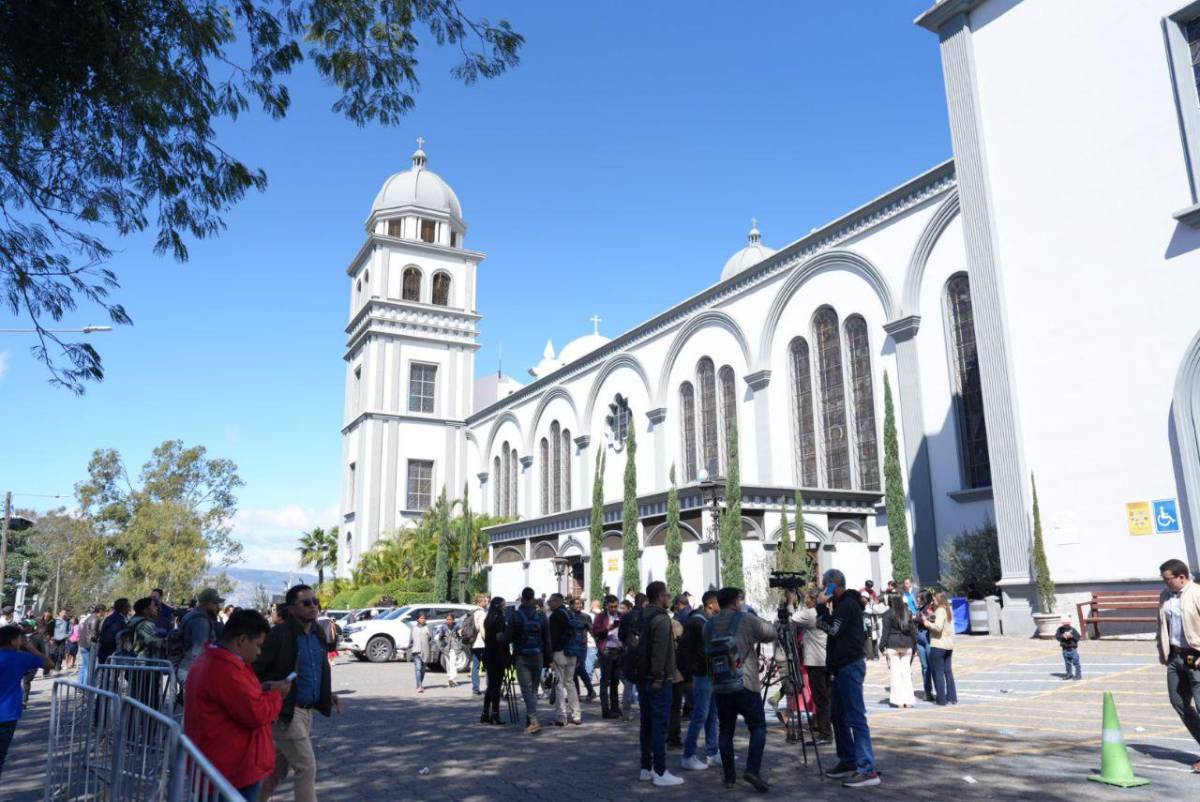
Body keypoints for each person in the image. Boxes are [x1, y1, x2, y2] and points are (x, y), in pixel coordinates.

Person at [185, 609, 291, 802]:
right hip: (231, 771)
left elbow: (240, 699)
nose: (259, 652)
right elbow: (256, 713)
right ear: (242, 640)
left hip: (222, 767)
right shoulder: (225, 668)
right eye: (258, 645)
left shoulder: (215, 660)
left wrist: (265, 688)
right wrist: (277, 696)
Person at [255, 584, 342, 802]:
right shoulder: (279, 635)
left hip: (306, 712)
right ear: (292, 609)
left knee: (277, 771)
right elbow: (255, 670)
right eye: (306, 603)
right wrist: (270, 686)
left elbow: (318, 668)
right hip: (286, 712)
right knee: (306, 766)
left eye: (315, 602)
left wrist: (327, 694)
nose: (313, 606)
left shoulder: (317, 633)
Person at [706, 586, 776, 791]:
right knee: (758, 727)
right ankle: (752, 769)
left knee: (725, 730)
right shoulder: (745, 619)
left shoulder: (709, 625)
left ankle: (729, 777)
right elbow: (771, 633)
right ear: (736, 601)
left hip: (721, 685)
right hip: (746, 682)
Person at [817, 568, 880, 788]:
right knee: (838, 716)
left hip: (850, 666)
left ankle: (867, 769)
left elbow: (832, 629)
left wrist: (820, 608)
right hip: (841, 668)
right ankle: (848, 760)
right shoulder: (842, 604)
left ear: (833, 584)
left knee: (855, 717)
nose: (823, 589)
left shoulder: (847, 604)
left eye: (825, 585)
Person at [636, 581, 683, 787]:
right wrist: (659, 677)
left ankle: (646, 768)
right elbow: (660, 652)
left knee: (646, 724)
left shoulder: (642, 615)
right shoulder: (662, 619)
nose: (669, 598)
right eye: (667, 595)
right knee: (659, 726)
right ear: (659, 596)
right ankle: (660, 771)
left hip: (642, 677)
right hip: (659, 680)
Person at [1158, 557, 1200, 772]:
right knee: (1179, 702)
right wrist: (1162, 650)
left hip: (1196, 656)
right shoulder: (1165, 596)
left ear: (1181, 577)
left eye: (1167, 579)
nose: (1165, 583)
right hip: (1175, 657)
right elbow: (1161, 625)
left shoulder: (1197, 593)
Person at [0, 625, 52, 780]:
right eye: (20, 639)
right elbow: (49, 664)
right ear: (13, 641)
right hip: (7, 714)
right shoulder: (21, 657)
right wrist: (30, 647)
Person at [679, 590, 720, 771]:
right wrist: (689, 675)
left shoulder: (709, 621)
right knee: (700, 715)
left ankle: (712, 752)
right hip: (702, 675)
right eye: (719, 602)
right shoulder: (696, 622)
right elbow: (684, 650)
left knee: (712, 715)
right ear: (711, 604)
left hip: (712, 673)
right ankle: (688, 755)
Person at [506, 586, 550, 734]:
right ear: (532, 598)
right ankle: (530, 720)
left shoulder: (516, 615)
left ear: (522, 598)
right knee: (534, 690)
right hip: (538, 655)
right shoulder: (541, 616)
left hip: (522, 656)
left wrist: (500, 637)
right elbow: (547, 639)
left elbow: (508, 637)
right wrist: (549, 659)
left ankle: (534, 720)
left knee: (526, 690)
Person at [790, 589, 832, 743]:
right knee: (826, 697)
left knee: (820, 699)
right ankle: (825, 729)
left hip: (815, 661)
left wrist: (790, 602)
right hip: (826, 659)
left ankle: (825, 733)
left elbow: (792, 618)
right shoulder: (826, 613)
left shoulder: (810, 614)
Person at [546, 593, 582, 726]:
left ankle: (561, 717)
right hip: (573, 651)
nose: (548, 603)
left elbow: (553, 638)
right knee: (570, 683)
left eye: (550, 601)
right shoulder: (570, 613)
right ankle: (576, 715)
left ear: (556, 601)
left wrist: (549, 656)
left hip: (560, 652)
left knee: (559, 684)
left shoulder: (555, 615)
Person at [179, 588, 223, 685]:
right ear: (207, 603)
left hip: (187, 668)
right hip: (192, 671)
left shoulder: (191, 615)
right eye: (215, 604)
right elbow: (199, 650)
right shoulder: (201, 622)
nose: (218, 607)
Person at [879, 594, 916, 707]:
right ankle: (908, 701)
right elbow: (913, 631)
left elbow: (885, 632)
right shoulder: (908, 612)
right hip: (907, 643)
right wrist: (914, 645)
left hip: (893, 644)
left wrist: (881, 646)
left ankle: (898, 701)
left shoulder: (887, 614)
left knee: (896, 674)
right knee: (906, 673)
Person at [592, 595, 623, 720]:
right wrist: (606, 629)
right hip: (606, 651)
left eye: (616, 606)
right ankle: (605, 709)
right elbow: (595, 632)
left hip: (618, 650)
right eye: (611, 606)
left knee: (615, 680)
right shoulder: (601, 616)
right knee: (605, 681)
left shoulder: (620, 616)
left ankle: (615, 707)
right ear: (606, 606)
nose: (614, 609)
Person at [924, 592, 957, 706]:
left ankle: (941, 699)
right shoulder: (948, 609)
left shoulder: (940, 610)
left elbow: (938, 627)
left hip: (939, 644)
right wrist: (931, 616)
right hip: (948, 645)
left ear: (939, 600)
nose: (933, 602)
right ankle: (952, 697)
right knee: (948, 672)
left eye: (934, 600)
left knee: (938, 672)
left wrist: (926, 623)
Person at [480, 596, 508, 724]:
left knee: (491, 685)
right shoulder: (499, 618)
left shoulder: (488, 618)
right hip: (497, 654)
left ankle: (485, 712)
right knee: (496, 686)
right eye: (504, 605)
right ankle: (495, 714)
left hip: (488, 653)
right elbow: (500, 638)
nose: (505, 607)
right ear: (499, 606)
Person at [569, 596, 596, 702]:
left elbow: (592, 630)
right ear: (571, 605)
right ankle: (578, 693)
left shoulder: (585, 617)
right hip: (570, 646)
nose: (579, 606)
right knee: (573, 670)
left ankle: (589, 691)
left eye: (580, 604)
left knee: (579, 668)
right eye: (576, 604)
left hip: (581, 647)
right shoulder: (567, 615)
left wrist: (597, 642)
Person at [96, 598, 131, 665]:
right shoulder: (117, 620)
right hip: (110, 656)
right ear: (124, 608)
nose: (129, 609)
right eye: (128, 606)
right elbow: (110, 638)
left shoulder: (112, 618)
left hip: (107, 655)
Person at [468, 594, 488, 696]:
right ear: (480, 602)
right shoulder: (481, 613)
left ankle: (475, 688)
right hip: (482, 643)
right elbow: (482, 629)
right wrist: (488, 640)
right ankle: (489, 688)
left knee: (475, 667)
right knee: (488, 666)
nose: (486, 602)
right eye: (484, 601)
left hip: (473, 643)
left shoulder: (472, 612)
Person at [1055, 615, 1082, 681]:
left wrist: (1072, 636)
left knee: (1076, 663)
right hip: (1065, 649)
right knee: (1067, 663)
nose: (1066, 625)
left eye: (1067, 624)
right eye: (1064, 624)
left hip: (1072, 649)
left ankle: (1078, 675)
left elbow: (1078, 637)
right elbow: (1057, 637)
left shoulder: (1072, 629)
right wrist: (1063, 636)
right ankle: (1069, 674)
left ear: (1069, 623)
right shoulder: (1060, 630)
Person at [410, 613, 432, 693]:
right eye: (421, 618)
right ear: (417, 619)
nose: (423, 620)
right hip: (416, 651)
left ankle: (419, 684)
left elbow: (430, 639)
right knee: (418, 668)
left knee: (423, 670)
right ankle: (419, 686)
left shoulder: (427, 628)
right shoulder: (414, 628)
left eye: (424, 618)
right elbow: (411, 640)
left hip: (425, 651)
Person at [442, 612, 462, 687]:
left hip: (454, 648)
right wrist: (442, 645)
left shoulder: (457, 627)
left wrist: (459, 645)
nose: (448, 621)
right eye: (447, 619)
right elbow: (440, 636)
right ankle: (450, 678)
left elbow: (461, 637)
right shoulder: (443, 627)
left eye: (450, 619)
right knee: (448, 664)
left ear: (453, 620)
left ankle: (452, 679)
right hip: (446, 648)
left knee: (452, 663)